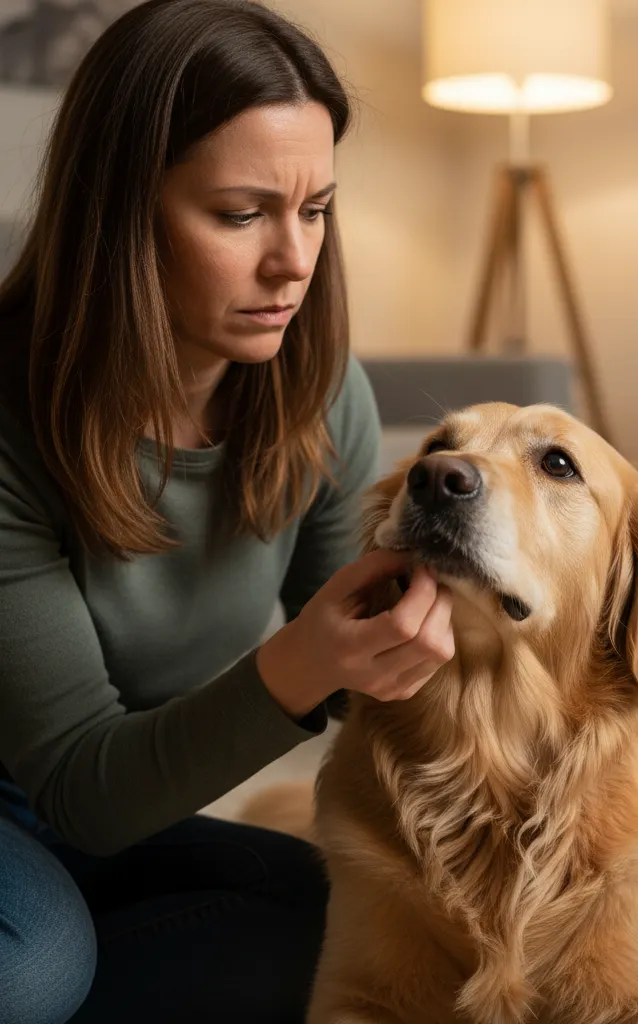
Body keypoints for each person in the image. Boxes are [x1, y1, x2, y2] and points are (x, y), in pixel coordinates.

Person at [0, 2, 456, 1021]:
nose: (294, 259)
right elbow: (80, 783)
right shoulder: (10, 415)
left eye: (316, 208)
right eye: (242, 214)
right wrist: (305, 662)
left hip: (107, 811)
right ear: (122, 212)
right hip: (66, 792)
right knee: (29, 969)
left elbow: (376, 673)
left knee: (346, 918)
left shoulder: (319, 394)